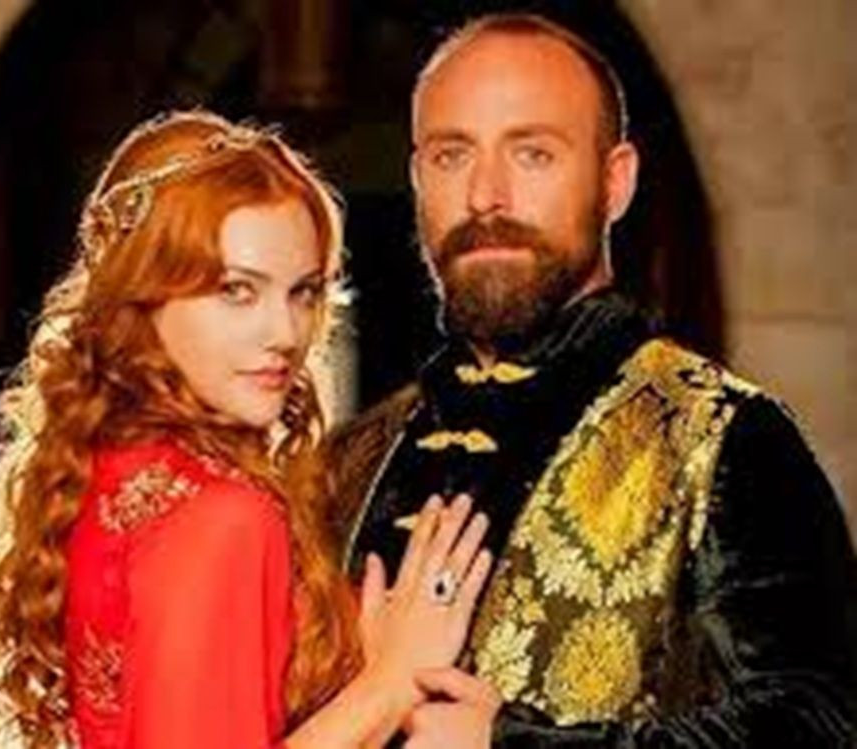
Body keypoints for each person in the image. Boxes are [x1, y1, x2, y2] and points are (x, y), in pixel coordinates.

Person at [332, 12, 857, 748]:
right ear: (419, 180)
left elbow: (822, 726)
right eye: (452, 155)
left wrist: (513, 744)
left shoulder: (729, 438)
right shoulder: (350, 461)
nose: (486, 196)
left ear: (616, 183)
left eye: (533, 154)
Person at [0, 109, 494, 748]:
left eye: (304, 293)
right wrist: (387, 686)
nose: (284, 334)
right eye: (237, 291)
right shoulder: (224, 518)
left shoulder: (104, 471)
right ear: (146, 294)